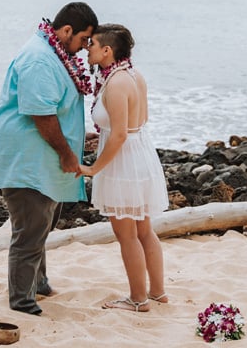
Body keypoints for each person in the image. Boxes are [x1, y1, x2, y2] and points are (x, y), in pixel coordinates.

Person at [0, 2, 99, 315]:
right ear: (66, 31)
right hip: (26, 158)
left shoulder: (53, 52)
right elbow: (41, 114)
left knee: (43, 224)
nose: (86, 47)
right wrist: (66, 152)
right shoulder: (39, 58)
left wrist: (78, 136)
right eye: (84, 39)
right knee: (30, 231)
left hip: (39, 156)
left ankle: (39, 282)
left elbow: (56, 107)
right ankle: (21, 300)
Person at [77, 23, 169, 313]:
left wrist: (93, 169)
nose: (86, 48)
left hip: (124, 162)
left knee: (127, 234)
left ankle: (138, 299)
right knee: (144, 230)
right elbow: (137, 122)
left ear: (107, 50)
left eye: (91, 44)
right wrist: (100, 138)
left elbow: (118, 135)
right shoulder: (134, 75)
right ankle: (157, 291)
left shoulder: (116, 83)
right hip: (140, 152)